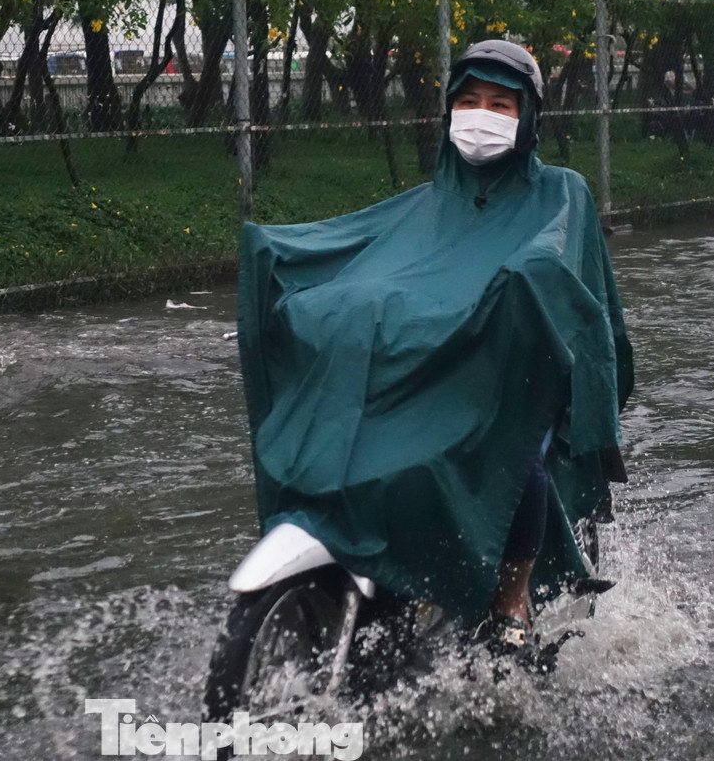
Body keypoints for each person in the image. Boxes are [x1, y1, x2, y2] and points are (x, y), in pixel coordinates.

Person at [236, 38, 633, 666]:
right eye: (469, 100)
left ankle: (510, 598)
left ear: (529, 116)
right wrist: (290, 271)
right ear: (448, 111)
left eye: (501, 104)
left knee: (512, 445)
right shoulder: (428, 203)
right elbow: (369, 256)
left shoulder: (562, 192)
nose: (482, 114)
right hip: (432, 367)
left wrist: (520, 284)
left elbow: (556, 261)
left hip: (513, 370)